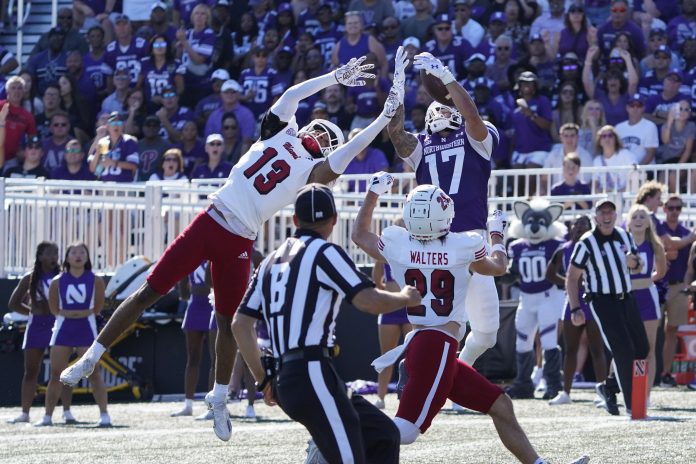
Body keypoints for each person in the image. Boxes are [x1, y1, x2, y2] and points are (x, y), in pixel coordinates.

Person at [61, 50, 408, 443]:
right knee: (149, 291)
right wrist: (334, 77)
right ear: (309, 127)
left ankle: (219, 397)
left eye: (329, 138)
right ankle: (91, 356)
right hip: (213, 218)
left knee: (229, 321)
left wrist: (381, 118)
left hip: (240, 238)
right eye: (322, 130)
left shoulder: (315, 171)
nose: (322, 136)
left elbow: (348, 150)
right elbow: (293, 93)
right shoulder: (279, 132)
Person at [351, 175, 589, 464]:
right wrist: (497, 234)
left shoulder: (397, 243)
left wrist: (373, 193)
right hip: (436, 344)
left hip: (430, 344)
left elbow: (359, 234)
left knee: (501, 404)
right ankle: (341, 428)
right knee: (406, 430)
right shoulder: (462, 245)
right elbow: (499, 267)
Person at [232, 183, 421, 464]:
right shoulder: (324, 253)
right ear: (333, 221)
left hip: (292, 376)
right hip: (311, 373)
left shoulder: (269, 261)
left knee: (382, 434)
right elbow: (368, 301)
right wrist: (405, 296)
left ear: (295, 220)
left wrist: (264, 379)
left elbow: (239, 324)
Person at [387, 51, 502, 368]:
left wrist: (449, 78)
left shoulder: (475, 135)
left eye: (446, 104)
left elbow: (474, 120)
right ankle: (426, 372)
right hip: (435, 243)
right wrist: (398, 87)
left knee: (487, 332)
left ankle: (454, 371)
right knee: (445, 324)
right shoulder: (421, 144)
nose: (439, 108)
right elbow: (395, 133)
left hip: (470, 239)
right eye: (434, 105)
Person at [566, 198, 649, 416]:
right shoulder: (586, 242)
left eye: (610, 212)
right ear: (595, 217)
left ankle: (608, 387)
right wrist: (575, 308)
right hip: (602, 301)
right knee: (622, 349)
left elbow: (638, 265)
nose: (606, 216)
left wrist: (636, 263)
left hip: (626, 297)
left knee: (642, 348)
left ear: (615, 215)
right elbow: (572, 277)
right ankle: (633, 407)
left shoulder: (624, 235)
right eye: (602, 212)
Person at [35, 242, 110, 427]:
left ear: (87, 257)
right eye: (74, 252)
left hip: (86, 330)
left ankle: (105, 415)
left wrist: (81, 314)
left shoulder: (95, 280)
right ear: (67, 257)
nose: (78, 255)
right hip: (63, 331)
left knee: (94, 374)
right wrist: (73, 314)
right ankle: (48, 417)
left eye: (82, 252)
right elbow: (54, 309)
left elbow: (98, 307)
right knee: (57, 375)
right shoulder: (58, 281)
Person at [6, 242, 75, 424]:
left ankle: (66, 411)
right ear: (40, 256)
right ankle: (25, 413)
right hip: (36, 326)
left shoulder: (62, 277)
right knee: (31, 371)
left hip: (57, 325)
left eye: (56, 254)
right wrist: (31, 310)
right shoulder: (30, 278)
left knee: (63, 370)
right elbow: (13, 303)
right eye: (50, 254)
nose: (54, 257)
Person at [545, 215, 607, 405]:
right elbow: (549, 274)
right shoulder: (563, 249)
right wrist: (568, 284)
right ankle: (565, 392)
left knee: (597, 348)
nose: (580, 228)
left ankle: (602, 392)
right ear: (571, 228)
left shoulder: (595, 247)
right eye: (577, 225)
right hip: (572, 300)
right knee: (570, 348)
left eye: (584, 225)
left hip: (593, 299)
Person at [626, 204, 666, 399]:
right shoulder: (621, 244)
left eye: (643, 216)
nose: (639, 220)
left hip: (647, 297)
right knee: (625, 345)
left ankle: (646, 395)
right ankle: (617, 390)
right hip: (627, 298)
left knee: (649, 347)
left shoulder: (654, 245)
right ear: (629, 222)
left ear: (648, 222)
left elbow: (662, 271)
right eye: (635, 217)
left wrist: (648, 280)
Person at [170, 261, 214, 417]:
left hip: (212, 305)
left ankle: (213, 407)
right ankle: (188, 405)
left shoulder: (213, 252)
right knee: (193, 358)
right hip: (195, 306)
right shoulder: (194, 255)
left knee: (215, 359)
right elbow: (182, 290)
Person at [660, 195, 696, 387]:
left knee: (672, 330)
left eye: (678, 208)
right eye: (671, 207)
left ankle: (665, 372)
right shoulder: (659, 229)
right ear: (664, 208)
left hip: (677, 286)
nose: (674, 211)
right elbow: (670, 246)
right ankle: (647, 373)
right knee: (651, 331)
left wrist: (686, 285)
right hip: (657, 285)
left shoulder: (685, 232)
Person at [371, 252, 411, 410]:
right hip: (390, 308)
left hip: (410, 307)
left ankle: (412, 396)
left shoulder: (414, 247)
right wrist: (386, 291)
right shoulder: (385, 251)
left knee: (413, 355)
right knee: (386, 355)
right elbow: (376, 278)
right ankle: (380, 397)